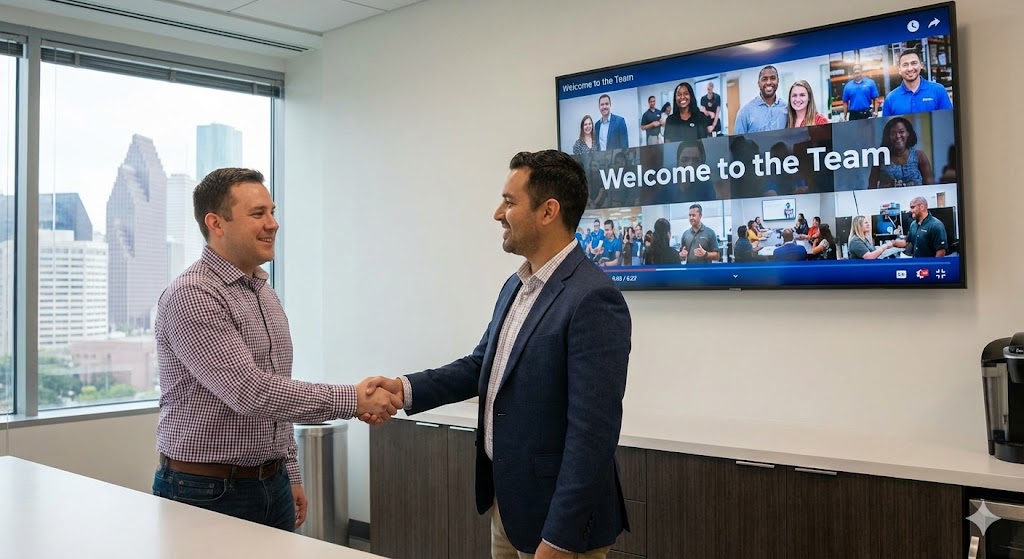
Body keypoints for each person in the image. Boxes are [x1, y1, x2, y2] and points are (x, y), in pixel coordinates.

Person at [362, 150, 631, 559]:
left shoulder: (593, 298)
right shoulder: (516, 285)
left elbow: (592, 435)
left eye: (508, 201)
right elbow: (481, 366)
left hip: (557, 526)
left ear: (548, 211)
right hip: (508, 508)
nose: (497, 214)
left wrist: (561, 538)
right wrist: (404, 388)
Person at [152, 168, 403, 531]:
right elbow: (251, 392)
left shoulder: (264, 293)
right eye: (258, 214)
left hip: (272, 483)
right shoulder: (194, 294)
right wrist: (354, 399)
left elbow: (277, 395)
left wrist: (290, 472)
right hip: (206, 490)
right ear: (216, 223)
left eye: (272, 212)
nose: (273, 223)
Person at [881, 50, 953, 117]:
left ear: (921, 65)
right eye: (905, 65)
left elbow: (948, 120)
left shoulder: (938, 90)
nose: (910, 68)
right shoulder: (890, 99)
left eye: (914, 63)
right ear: (899, 70)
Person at [867, 117, 934, 188]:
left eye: (901, 132)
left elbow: (929, 186)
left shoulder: (919, 156)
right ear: (888, 136)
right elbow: (871, 187)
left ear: (908, 133)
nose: (897, 136)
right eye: (893, 133)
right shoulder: (880, 158)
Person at [652, 140, 716, 204]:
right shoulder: (665, 187)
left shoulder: (707, 188)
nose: (689, 165)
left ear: (702, 164)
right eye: (685, 160)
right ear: (678, 162)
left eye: (695, 160)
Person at [733, 65, 787, 134]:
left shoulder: (787, 108)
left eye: (773, 78)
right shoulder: (745, 112)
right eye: (764, 79)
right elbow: (738, 139)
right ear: (758, 83)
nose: (769, 82)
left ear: (778, 81)